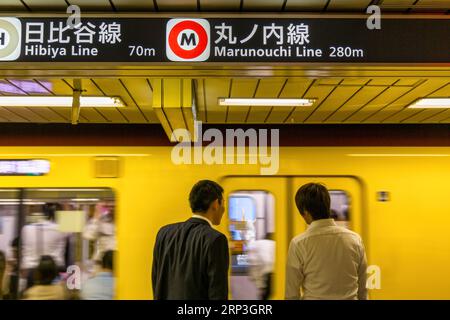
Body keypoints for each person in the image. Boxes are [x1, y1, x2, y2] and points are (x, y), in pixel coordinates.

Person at [285, 183, 368, 300]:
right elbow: (363, 290)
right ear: (327, 205)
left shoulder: (299, 243)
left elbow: (292, 295)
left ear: (305, 212)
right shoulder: (355, 239)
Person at [152, 180, 229, 300]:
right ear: (215, 204)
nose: (224, 208)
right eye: (223, 203)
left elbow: (156, 281)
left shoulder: (164, 233)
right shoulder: (216, 239)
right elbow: (218, 292)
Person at [21, 203, 68, 288]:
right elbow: (74, 229)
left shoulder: (26, 229)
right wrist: (66, 205)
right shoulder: (61, 229)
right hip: (54, 272)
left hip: (30, 272)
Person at [247, 233, 275, 300]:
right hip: (275, 272)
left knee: (265, 294)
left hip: (267, 272)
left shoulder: (257, 244)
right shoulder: (276, 243)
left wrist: (258, 283)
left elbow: (253, 262)